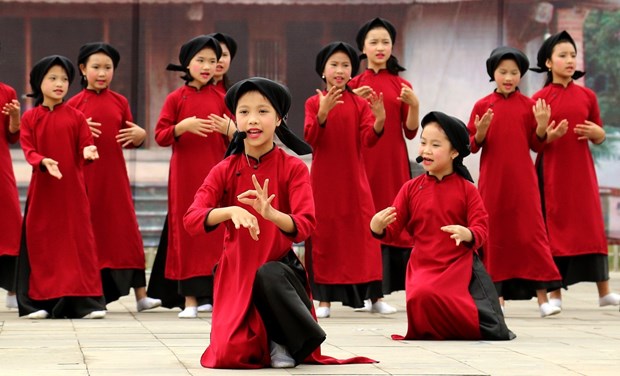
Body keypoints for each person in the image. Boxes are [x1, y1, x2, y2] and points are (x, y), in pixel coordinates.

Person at [184, 77, 376, 369]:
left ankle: (282, 337)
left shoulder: (293, 168)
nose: (253, 120)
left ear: (279, 119)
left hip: (278, 276)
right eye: (244, 112)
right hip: (235, 274)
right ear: (235, 119)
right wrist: (229, 211)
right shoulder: (225, 169)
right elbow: (192, 219)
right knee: (227, 356)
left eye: (263, 111)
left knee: (270, 273)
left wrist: (271, 214)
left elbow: (306, 224)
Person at [371, 111, 514, 340]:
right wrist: (377, 227)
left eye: (435, 145)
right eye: (423, 142)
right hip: (423, 265)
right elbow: (392, 231)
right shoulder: (410, 188)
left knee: (488, 329)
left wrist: (467, 233)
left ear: (454, 152)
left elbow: (482, 228)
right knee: (422, 295)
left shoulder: (467, 189)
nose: (426, 150)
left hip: (459, 265)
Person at [466, 47, 563, 317]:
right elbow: (471, 146)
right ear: (493, 74)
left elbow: (536, 144)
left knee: (531, 235)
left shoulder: (530, 106)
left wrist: (542, 127)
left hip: (523, 182)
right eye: (502, 72)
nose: (508, 77)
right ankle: (496, 299)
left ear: (521, 74)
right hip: (494, 182)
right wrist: (481, 132)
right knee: (494, 235)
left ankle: (543, 299)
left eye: (514, 72)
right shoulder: (482, 105)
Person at [67, 42, 161, 312]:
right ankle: (94, 295)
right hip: (87, 178)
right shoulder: (73, 106)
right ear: (83, 69)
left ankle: (141, 296)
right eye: (96, 67)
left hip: (116, 178)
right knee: (92, 235)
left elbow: (127, 138)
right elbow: (64, 143)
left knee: (127, 232)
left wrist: (140, 136)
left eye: (108, 68)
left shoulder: (120, 101)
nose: (102, 73)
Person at [530, 30, 620, 308]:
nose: (570, 60)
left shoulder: (588, 96)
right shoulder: (540, 98)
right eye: (562, 55)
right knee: (555, 229)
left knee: (590, 225)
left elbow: (598, 133)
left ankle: (604, 292)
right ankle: (555, 295)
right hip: (553, 172)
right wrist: (546, 132)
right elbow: (535, 142)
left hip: (582, 171)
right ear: (548, 62)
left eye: (572, 55)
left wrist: (598, 133)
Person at [148, 35, 233, 318]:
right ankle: (191, 301)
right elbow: (160, 135)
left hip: (216, 172)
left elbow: (241, 138)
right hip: (184, 175)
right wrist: (180, 127)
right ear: (187, 64)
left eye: (213, 60)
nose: (208, 66)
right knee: (187, 232)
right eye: (201, 60)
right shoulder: (176, 98)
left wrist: (230, 130)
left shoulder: (223, 98)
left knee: (215, 233)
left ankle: (215, 294)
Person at [304, 42, 390, 318]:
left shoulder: (359, 102)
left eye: (345, 65)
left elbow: (369, 139)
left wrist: (379, 120)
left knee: (364, 238)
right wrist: (323, 112)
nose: (340, 71)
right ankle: (324, 301)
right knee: (325, 237)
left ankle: (374, 297)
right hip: (324, 183)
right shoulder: (313, 102)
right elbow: (310, 138)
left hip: (355, 181)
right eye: (334, 65)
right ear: (323, 70)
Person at [17, 55, 106, 319]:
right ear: (38, 82)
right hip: (44, 192)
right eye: (52, 78)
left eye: (64, 79)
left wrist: (89, 151)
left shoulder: (77, 117)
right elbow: (28, 150)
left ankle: (85, 304)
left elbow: (86, 145)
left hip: (73, 192)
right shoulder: (30, 118)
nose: (60, 84)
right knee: (43, 242)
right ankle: (40, 303)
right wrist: (43, 161)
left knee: (78, 244)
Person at [349, 17, 419, 306]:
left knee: (390, 217)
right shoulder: (353, 85)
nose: (380, 47)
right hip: (360, 162)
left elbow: (411, 130)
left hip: (391, 163)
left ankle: (381, 294)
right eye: (374, 42)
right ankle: (365, 292)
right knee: (362, 220)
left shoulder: (402, 85)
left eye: (385, 42)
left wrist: (414, 104)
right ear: (362, 48)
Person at [0, 76, 21, 310]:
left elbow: (12, 136)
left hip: (1, 165)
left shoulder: (7, 92)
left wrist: (15, 116)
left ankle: (14, 289)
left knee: (10, 225)